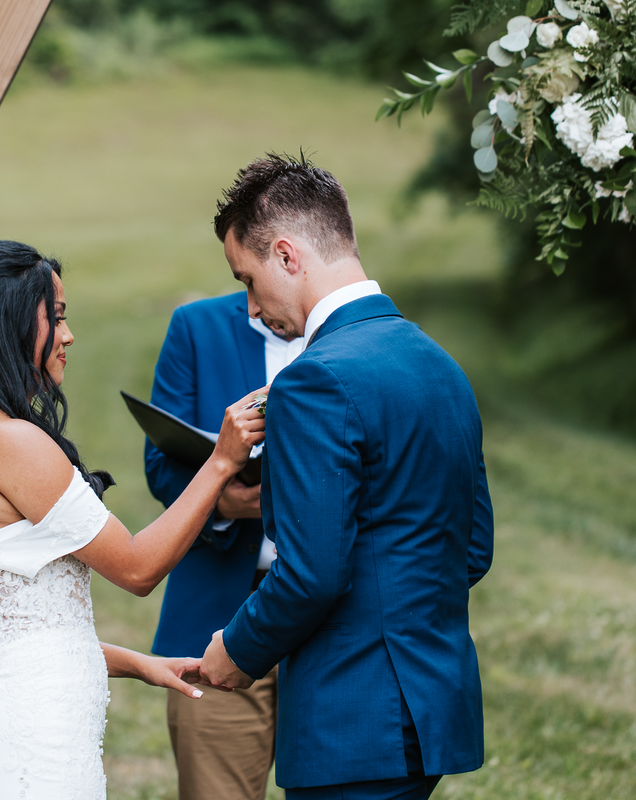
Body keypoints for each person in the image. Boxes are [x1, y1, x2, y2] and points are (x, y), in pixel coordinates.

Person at [0, 240, 267, 800]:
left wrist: (141, 665)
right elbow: (139, 570)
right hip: (32, 740)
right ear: (9, 327)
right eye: (57, 318)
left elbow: (15, 640)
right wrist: (221, 462)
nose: (69, 336)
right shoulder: (10, 442)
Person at [198, 154, 495, 800]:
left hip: (353, 720)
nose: (251, 307)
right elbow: (471, 549)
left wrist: (238, 649)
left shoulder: (312, 380)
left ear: (286, 255)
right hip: (430, 711)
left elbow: (313, 574)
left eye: (247, 280)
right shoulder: (439, 363)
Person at [145, 292, 303, 800]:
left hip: (335, 621)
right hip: (220, 614)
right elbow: (161, 464)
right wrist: (221, 501)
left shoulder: (355, 334)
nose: (252, 305)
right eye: (243, 281)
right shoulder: (196, 326)